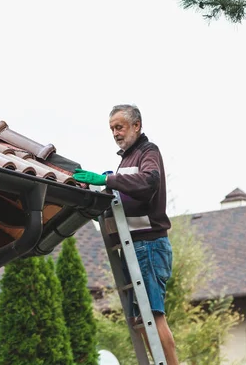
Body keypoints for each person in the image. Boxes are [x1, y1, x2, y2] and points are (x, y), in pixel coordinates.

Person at [72, 104, 179, 365]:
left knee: (154, 316)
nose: (115, 133)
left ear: (136, 126)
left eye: (119, 127)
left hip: (150, 245)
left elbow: (148, 183)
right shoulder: (125, 161)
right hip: (133, 247)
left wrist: (108, 181)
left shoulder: (147, 151)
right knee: (140, 320)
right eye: (112, 129)